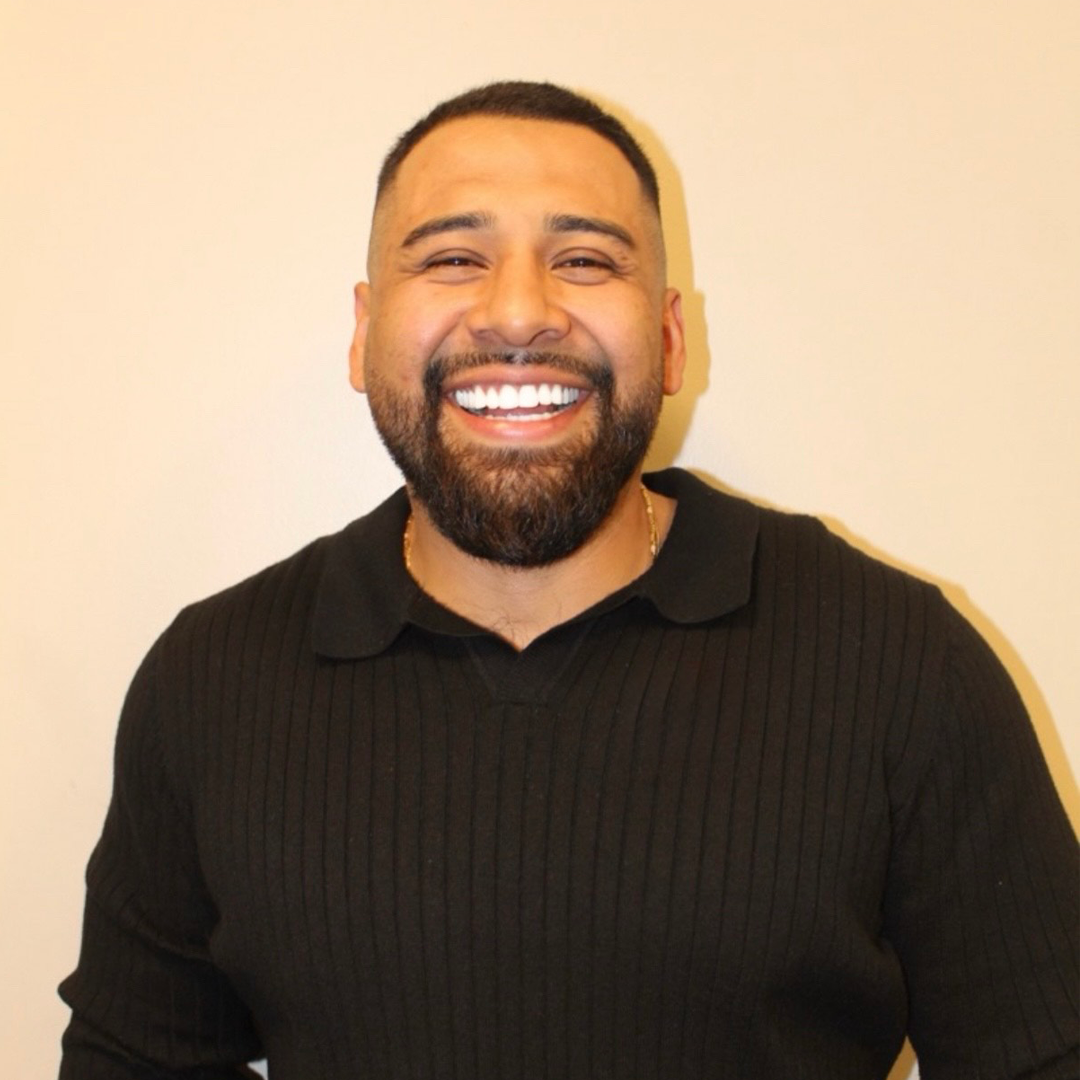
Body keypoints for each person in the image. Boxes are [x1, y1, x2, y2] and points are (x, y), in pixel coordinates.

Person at [59, 81, 1079, 1080]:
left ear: (670, 339)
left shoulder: (901, 663)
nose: (517, 313)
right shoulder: (211, 679)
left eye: (584, 260)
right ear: (364, 333)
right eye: (453, 258)